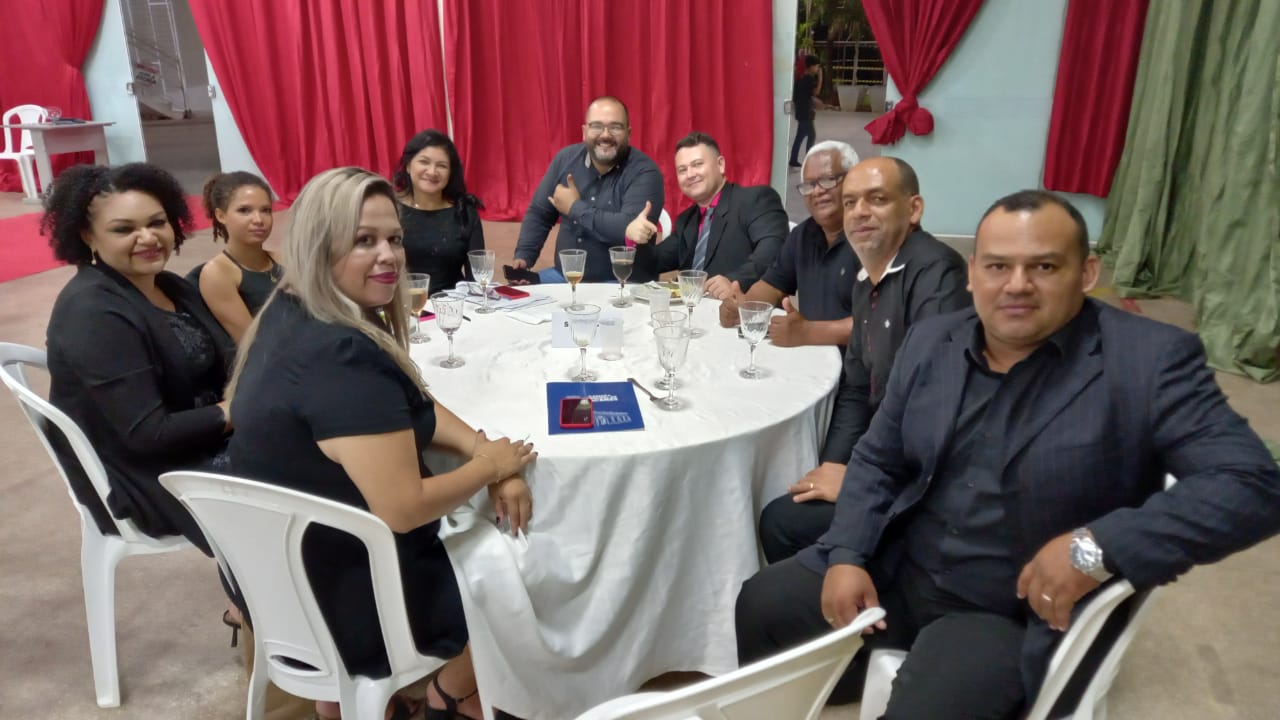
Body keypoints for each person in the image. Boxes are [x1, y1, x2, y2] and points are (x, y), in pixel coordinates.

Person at [736, 190, 1280, 718]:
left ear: (1087, 272)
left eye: (1044, 267)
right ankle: (841, 680)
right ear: (973, 273)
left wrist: (1095, 548)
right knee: (763, 602)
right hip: (903, 562)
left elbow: (1251, 484)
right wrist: (848, 553)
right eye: (998, 266)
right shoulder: (932, 340)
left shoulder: (1148, 359)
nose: (1017, 285)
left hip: (1008, 608)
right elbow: (880, 458)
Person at [226, 167, 535, 720]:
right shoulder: (342, 356)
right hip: (350, 595)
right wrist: (491, 467)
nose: (389, 255)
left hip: (279, 577)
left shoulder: (288, 313)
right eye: (363, 240)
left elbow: (412, 405)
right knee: (529, 552)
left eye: (394, 238)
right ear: (318, 245)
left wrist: (479, 444)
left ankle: (340, 700)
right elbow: (404, 508)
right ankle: (452, 691)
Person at [756, 157, 969, 563]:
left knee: (782, 522)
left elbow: (935, 407)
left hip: (923, 487)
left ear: (914, 209)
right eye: (851, 202)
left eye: (877, 199)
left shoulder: (937, 274)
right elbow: (857, 388)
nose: (859, 212)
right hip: (881, 451)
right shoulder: (868, 280)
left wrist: (857, 477)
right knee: (793, 492)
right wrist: (834, 463)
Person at [43, 163, 234, 555]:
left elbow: (228, 356)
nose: (148, 238)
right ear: (87, 236)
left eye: (156, 222)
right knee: (310, 480)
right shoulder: (93, 312)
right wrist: (237, 410)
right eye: (123, 229)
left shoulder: (169, 286)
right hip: (144, 475)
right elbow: (149, 434)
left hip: (196, 442)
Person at [718, 140, 861, 348]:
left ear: (854, 181)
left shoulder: (871, 237)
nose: (817, 191)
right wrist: (743, 307)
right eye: (809, 185)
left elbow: (880, 323)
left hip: (857, 364)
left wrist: (809, 332)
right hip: (811, 355)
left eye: (827, 180)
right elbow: (772, 285)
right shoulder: (803, 235)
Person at [512, 96, 664, 284]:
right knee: (515, 296)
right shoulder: (565, 159)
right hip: (566, 276)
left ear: (628, 133)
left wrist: (574, 208)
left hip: (621, 281)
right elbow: (540, 212)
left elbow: (629, 228)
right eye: (597, 126)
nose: (605, 135)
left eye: (615, 127)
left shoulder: (645, 172)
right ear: (584, 132)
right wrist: (524, 256)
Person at [629, 131, 788, 299]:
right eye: (682, 170)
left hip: (743, 308)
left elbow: (774, 251)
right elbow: (652, 265)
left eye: (697, 164)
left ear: (720, 165)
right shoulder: (686, 220)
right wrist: (637, 240)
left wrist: (734, 281)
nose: (690, 174)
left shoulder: (756, 199)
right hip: (692, 310)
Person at [190, 171, 281, 342]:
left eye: (266, 210)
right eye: (244, 210)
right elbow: (251, 342)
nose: (258, 219)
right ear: (221, 215)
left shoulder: (283, 259)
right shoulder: (217, 273)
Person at [394, 128, 486, 295]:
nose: (432, 172)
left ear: (450, 173)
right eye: (424, 162)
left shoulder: (464, 211)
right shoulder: (390, 209)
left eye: (442, 166)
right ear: (408, 165)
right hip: (402, 303)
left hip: (453, 302)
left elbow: (476, 277)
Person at [788, 55, 824, 169]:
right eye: (817, 66)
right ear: (811, 66)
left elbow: (800, 95)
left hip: (801, 111)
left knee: (800, 136)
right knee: (812, 135)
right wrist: (820, 79)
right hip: (806, 112)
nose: (817, 69)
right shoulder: (809, 78)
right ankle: (809, 162)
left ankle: (793, 159)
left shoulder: (801, 77)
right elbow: (816, 92)